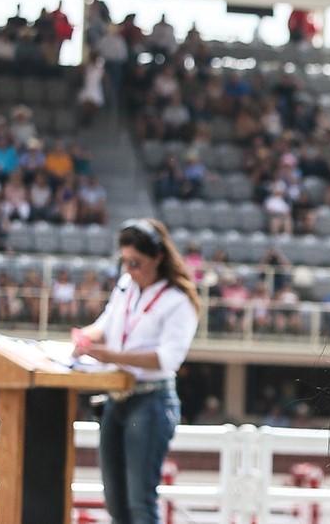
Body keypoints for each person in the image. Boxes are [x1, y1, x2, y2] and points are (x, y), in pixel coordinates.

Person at [73, 219, 201, 524]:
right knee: (116, 503)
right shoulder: (126, 285)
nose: (130, 269)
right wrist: (85, 338)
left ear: (158, 258)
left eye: (136, 263)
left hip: (150, 400)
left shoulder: (177, 300)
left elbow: (167, 359)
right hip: (116, 397)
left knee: (140, 502)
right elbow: (105, 324)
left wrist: (113, 355)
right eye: (125, 262)